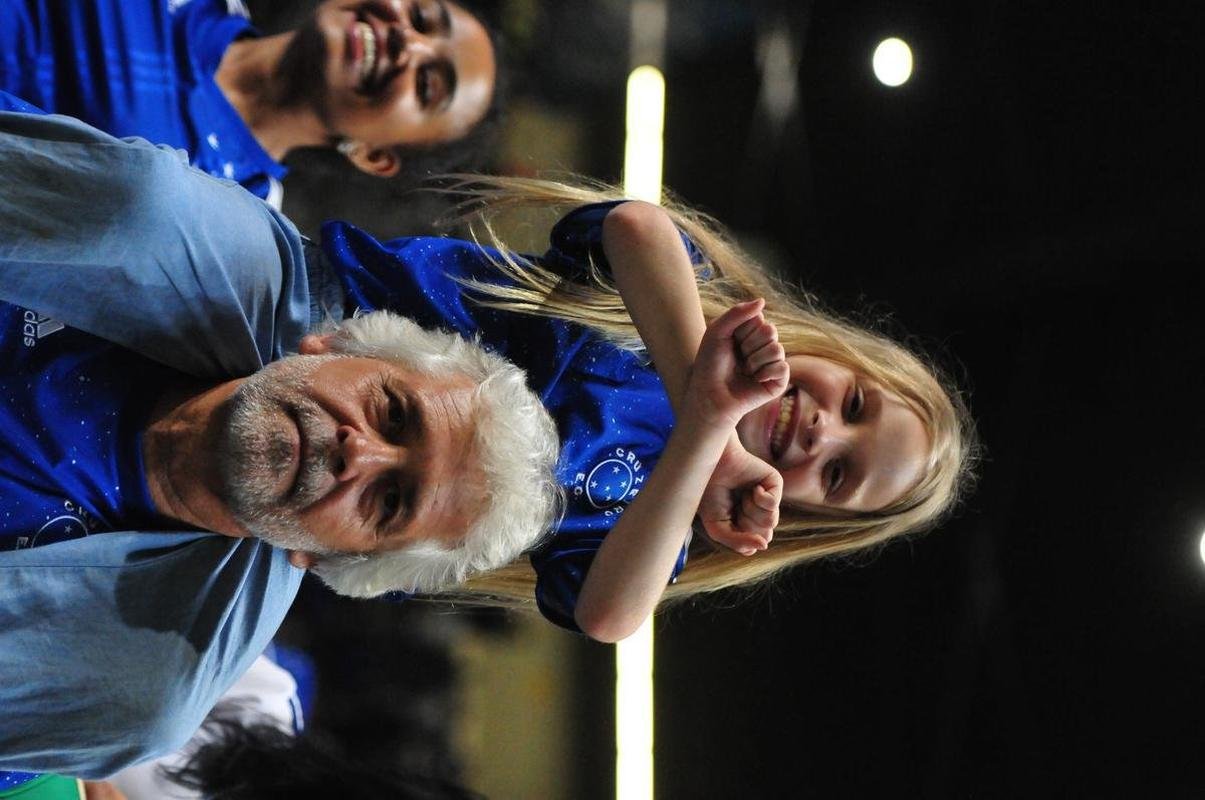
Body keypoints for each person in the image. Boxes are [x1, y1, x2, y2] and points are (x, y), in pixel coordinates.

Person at [0, 99, 975, 646]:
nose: (823, 431)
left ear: (804, 517)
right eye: (854, 403)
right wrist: (704, 404)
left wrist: (700, 450)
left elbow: (607, 616)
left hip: (329, 487)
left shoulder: (670, 516)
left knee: (158, 682)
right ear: (837, 353)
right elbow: (636, 226)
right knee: (136, 206)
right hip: (303, 311)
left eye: (838, 471)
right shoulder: (697, 312)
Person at [0, 257, 561, 775]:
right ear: (333, 346)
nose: (358, 455)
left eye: (391, 500)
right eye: (392, 413)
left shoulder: (127, 687)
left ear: (327, 560)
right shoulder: (156, 248)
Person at [0, 0, 497, 206]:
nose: (407, 40)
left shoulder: (235, 219)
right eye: (420, 16)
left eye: (428, 84)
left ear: (374, 156)